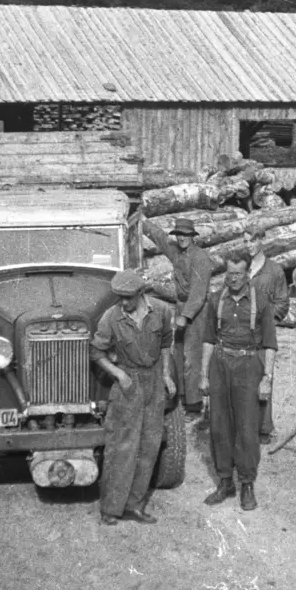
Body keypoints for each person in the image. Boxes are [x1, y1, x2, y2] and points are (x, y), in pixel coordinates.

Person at [91, 269, 176, 526]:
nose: (124, 302)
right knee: (121, 447)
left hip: (153, 383)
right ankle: (110, 508)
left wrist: (167, 375)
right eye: (120, 297)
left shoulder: (161, 311)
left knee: (148, 447)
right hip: (128, 384)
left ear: (141, 293)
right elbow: (96, 352)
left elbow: (165, 345)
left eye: (128, 297)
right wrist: (119, 374)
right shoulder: (111, 317)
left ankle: (134, 505)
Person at [200, 252, 277, 511]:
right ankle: (225, 481)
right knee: (219, 425)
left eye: (238, 274)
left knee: (246, 427)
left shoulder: (261, 301)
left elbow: (270, 344)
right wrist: (203, 375)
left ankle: (246, 484)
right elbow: (209, 339)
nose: (232, 279)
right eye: (229, 274)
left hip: (249, 365)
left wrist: (267, 378)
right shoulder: (215, 300)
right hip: (220, 364)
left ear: (247, 275)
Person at [142, 216, 213, 420]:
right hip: (182, 307)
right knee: (179, 353)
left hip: (196, 311)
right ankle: (182, 398)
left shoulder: (200, 258)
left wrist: (185, 316)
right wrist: (143, 223)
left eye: (186, 235)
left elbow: (199, 294)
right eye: (179, 234)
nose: (182, 238)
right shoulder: (178, 253)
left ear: (193, 236)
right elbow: (162, 239)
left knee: (192, 357)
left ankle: (194, 405)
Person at [243, 222, 289, 445]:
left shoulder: (274, 271)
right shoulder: (242, 268)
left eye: (252, 240)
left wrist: (266, 319)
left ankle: (264, 428)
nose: (248, 245)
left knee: (264, 376)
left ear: (261, 241)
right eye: (245, 241)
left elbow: (283, 303)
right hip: (240, 333)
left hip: (263, 335)